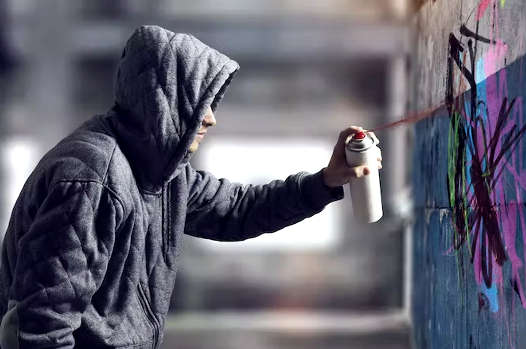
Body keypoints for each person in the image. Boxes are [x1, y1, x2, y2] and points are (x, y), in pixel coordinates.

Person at [0, 25, 381, 349]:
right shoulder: (92, 179)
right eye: (200, 102)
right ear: (162, 99)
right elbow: (43, 326)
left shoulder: (160, 171)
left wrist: (327, 180)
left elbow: (237, 210)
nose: (211, 119)